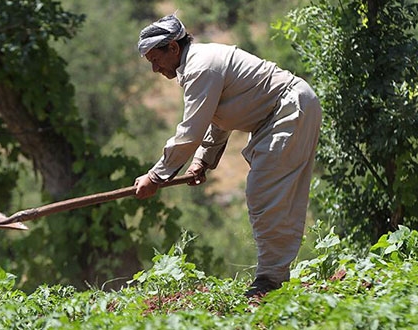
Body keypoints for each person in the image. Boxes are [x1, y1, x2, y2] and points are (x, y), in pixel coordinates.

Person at [133, 14, 322, 297]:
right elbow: (220, 119)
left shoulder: (201, 67)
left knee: (264, 191)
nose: (154, 68)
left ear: (173, 48)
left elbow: (190, 132)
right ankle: (274, 276)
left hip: (289, 109)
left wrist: (156, 175)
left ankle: (271, 280)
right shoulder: (197, 66)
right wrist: (202, 161)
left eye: (155, 59)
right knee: (266, 193)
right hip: (278, 116)